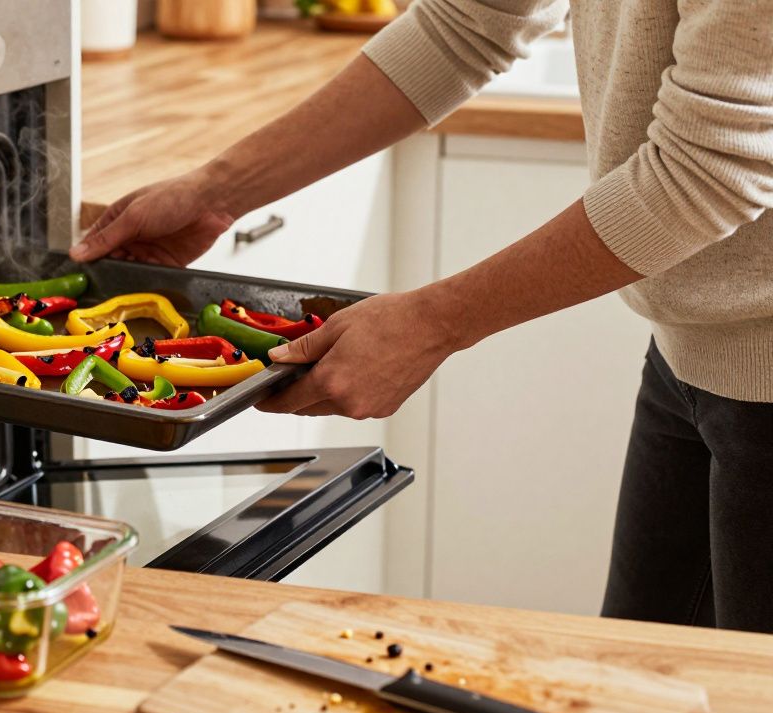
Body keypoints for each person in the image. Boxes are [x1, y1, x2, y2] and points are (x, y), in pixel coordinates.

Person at [71, 0, 773, 634]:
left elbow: (710, 168)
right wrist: (217, 191)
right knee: (649, 685)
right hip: (693, 350)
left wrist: (432, 323)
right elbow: (466, 24)